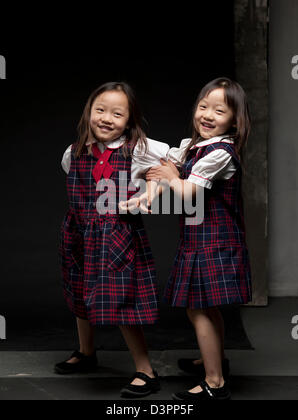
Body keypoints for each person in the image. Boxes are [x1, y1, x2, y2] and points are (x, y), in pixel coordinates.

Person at [56, 81, 169, 398]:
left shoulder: (139, 151)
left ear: (129, 120)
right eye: (100, 110)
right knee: (80, 292)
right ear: (89, 112)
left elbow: (168, 167)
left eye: (117, 113)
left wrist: (149, 192)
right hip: (79, 232)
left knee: (123, 302)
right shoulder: (74, 152)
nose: (106, 118)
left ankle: (146, 370)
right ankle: (86, 352)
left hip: (116, 236)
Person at [145, 77, 252, 401]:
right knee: (204, 308)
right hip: (199, 239)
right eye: (203, 106)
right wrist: (160, 175)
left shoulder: (220, 153)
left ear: (234, 119)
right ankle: (214, 361)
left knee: (199, 309)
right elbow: (167, 165)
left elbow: (188, 190)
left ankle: (215, 382)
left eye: (219, 110)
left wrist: (171, 177)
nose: (207, 115)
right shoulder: (195, 147)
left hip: (215, 242)